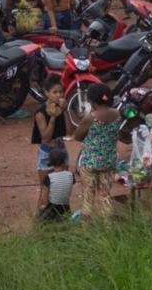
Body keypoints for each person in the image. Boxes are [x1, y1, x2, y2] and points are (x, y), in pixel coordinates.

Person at [72, 83, 120, 218]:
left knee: (88, 197)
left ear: (92, 101)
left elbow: (77, 136)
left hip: (90, 163)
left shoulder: (90, 118)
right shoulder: (117, 114)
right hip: (109, 162)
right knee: (105, 196)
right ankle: (108, 228)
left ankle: (86, 229)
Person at [32, 78, 70, 192]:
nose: (59, 95)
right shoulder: (40, 112)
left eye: (60, 92)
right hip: (47, 152)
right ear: (46, 93)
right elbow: (45, 137)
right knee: (45, 190)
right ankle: (43, 210)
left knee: (62, 188)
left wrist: (64, 111)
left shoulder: (61, 108)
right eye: (55, 92)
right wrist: (53, 117)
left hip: (61, 148)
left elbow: (70, 132)